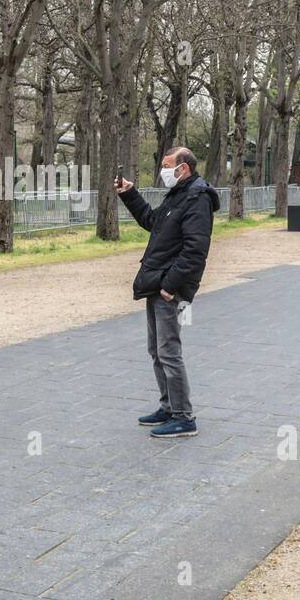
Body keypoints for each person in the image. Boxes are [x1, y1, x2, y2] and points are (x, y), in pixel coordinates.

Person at [116, 147, 220, 440]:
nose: (163, 171)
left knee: (169, 352)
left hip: (167, 289)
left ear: (183, 168)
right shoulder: (178, 195)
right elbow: (153, 222)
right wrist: (130, 194)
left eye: (167, 165)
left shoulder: (196, 199)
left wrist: (169, 286)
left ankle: (184, 417)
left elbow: (195, 250)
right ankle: (169, 407)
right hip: (156, 284)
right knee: (157, 350)